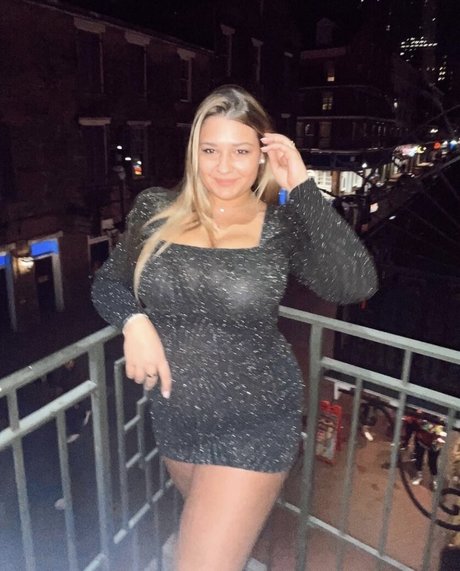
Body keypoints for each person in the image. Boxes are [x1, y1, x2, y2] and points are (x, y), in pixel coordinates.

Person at [92, 84, 378, 570]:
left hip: (256, 419)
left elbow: (355, 282)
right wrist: (134, 321)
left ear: (263, 154)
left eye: (241, 151)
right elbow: (108, 283)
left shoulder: (281, 223)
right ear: (194, 153)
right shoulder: (154, 209)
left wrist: (302, 187)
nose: (224, 167)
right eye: (211, 150)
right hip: (175, 416)